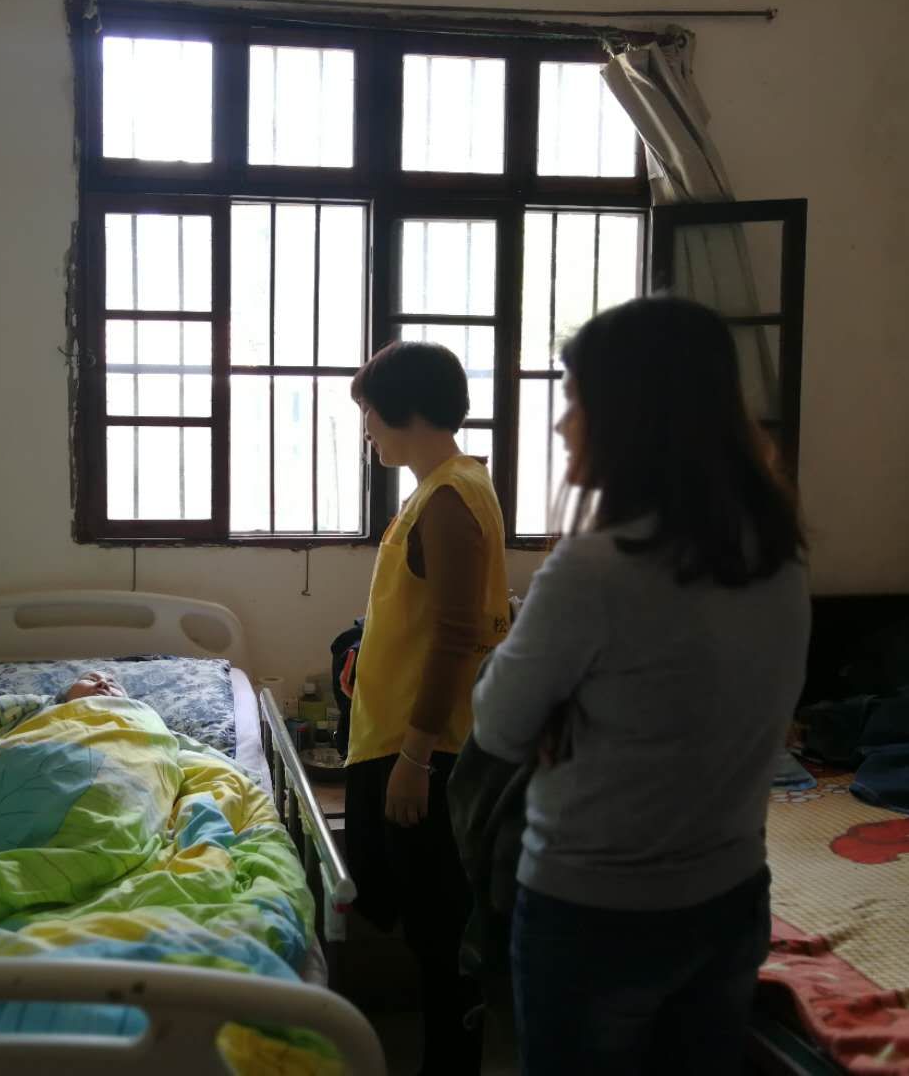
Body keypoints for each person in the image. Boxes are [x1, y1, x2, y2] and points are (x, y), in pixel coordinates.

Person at [467, 297, 810, 1075]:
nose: (563, 425)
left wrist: (554, 700)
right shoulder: (778, 554)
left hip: (595, 914)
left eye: (574, 399)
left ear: (632, 415)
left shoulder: (594, 570)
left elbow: (496, 726)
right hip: (731, 899)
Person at [345, 340, 511, 1075]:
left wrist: (414, 759)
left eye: (370, 413)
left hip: (428, 748)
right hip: (410, 735)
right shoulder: (447, 487)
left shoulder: (448, 498)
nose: (367, 429)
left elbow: (455, 635)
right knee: (428, 927)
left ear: (403, 410)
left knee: (441, 934)